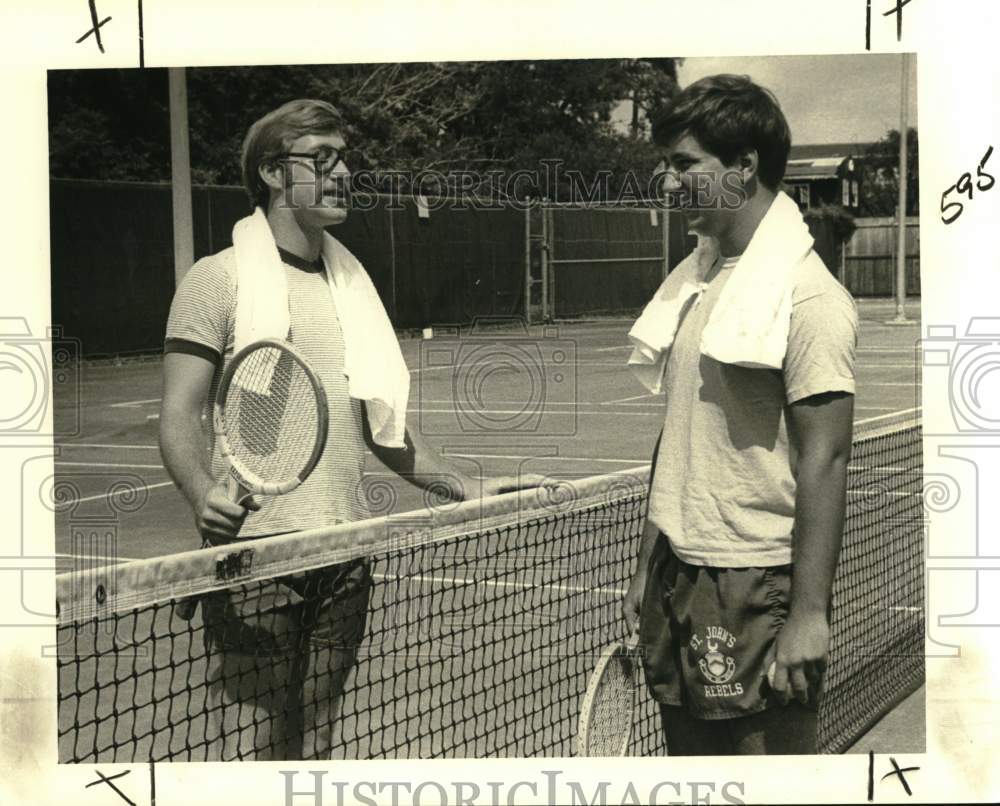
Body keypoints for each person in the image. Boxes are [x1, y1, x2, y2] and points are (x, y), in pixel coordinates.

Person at [159, 99, 539, 760]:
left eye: (346, 160)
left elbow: (383, 430)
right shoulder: (215, 282)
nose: (343, 174)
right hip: (259, 560)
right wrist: (200, 493)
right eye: (323, 160)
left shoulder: (349, 287)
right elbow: (179, 414)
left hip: (345, 557)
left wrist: (466, 486)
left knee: (320, 741)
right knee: (269, 747)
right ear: (274, 174)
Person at [622, 75, 858, 755]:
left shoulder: (808, 296)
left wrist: (808, 614)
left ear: (745, 167)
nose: (667, 184)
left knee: (766, 776)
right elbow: (682, 432)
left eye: (685, 165)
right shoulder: (698, 281)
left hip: (757, 581)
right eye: (665, 165)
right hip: (682, 573)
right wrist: (648, 563)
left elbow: (826, 456)